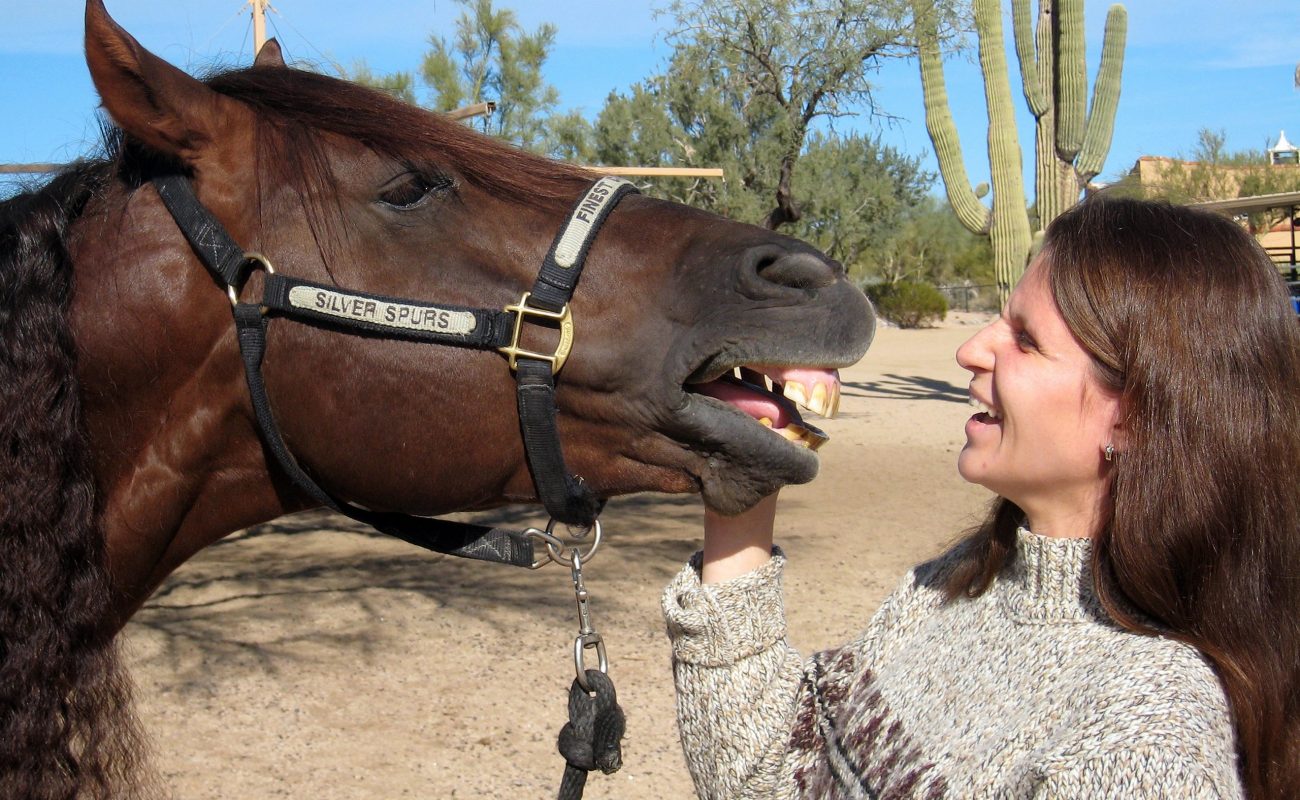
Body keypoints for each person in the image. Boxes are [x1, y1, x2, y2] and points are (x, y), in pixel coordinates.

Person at [662, 196, 1300, 799]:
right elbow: (773, 777)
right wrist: (742, 470)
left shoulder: (1144, 736)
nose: (970, 350)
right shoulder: (955, 586)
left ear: (1134, 417)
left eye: (1025, 340)